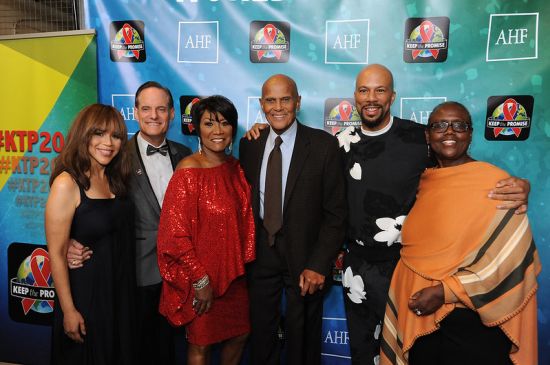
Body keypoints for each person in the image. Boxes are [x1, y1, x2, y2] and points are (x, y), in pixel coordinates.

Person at [380, 101, 540, 365]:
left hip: (475, 321)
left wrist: (446, 292)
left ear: (471, 133)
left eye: (459, 125)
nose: (450, 132)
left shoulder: (497, 182)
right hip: (421, 317)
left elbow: (511, 257)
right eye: (440, 125)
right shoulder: (424, 182)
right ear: (427, 136)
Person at [67, 81, 192, 364]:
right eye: (146, 108)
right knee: (132, 351)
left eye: (161, 109)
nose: (154, 115)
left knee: (167, 350)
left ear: (173, 113)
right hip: (131, 271)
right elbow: (81, 200)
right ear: (135, 112)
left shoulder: (186, 156)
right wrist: (67, 243)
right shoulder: (113, 155)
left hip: (176, 274)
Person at [239, 74, 347, 365]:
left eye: (285, 99)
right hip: (261, 253)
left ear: (297, 102)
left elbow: (336, 214)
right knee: (261, 335)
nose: (278, 107)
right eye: (270, 100)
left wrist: (318, 263)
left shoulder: (323, 145)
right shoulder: (250, 144)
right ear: (261, 104)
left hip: (304, 256)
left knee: (303, 337)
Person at [157, 95, 255, 365]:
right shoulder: (188, 171)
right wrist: (200, 281)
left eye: (224, 123)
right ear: (197, 128)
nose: (218, 131)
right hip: (202, 280)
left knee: (240, 335)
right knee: (201, 345)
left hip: (234, 278)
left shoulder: (235, 168)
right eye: (209, 123)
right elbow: (174, 234)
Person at [47, 104, 135, 364]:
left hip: (119, 291)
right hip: (87, 296)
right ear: (83, 135)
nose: (108, 143)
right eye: (99, 134)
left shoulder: (116, 177)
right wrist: (69, 311)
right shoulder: (67, 182)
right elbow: (57, 253)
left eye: (116, 136)